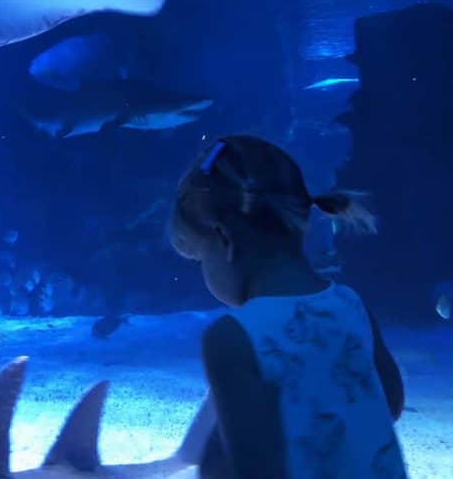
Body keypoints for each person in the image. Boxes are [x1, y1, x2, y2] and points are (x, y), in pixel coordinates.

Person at [169, 135, 407, 478]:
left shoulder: (232, 338)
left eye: (199, 258)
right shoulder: (351, 304)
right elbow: (391, 404)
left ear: (225, 239)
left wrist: (214, 461)